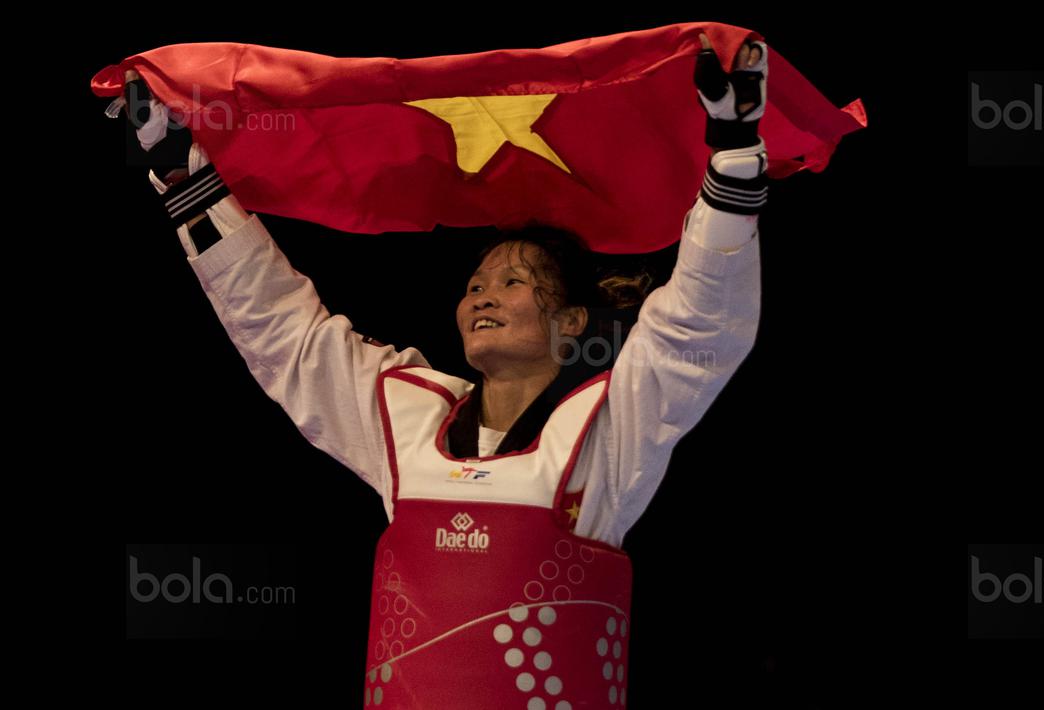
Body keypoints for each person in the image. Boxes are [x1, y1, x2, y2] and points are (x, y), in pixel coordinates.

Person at [119, 32, 767, 708]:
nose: (482, 297)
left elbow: (696, 328)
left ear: (572, 320)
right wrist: (186, 180)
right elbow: (283, 333)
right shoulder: (406, 416)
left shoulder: (605, 428)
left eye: (512, 283)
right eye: (475, 285)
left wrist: (732, 167)